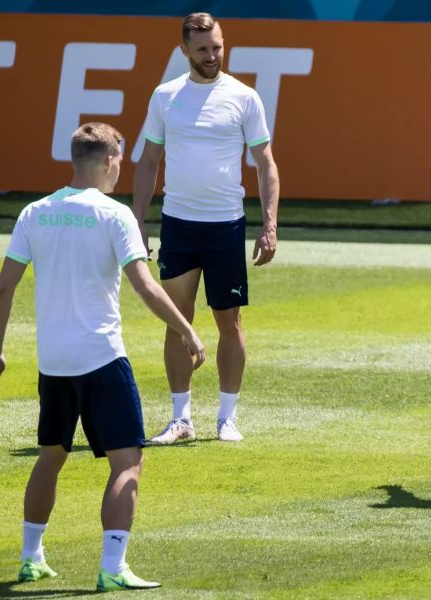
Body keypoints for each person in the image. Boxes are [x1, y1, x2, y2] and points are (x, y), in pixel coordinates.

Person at [0, 122, 206, 591]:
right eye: (119, 159)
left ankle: (30, 557)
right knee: (128, 462)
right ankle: (113, 566)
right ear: (107, 160)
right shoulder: (115, 215)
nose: (120, 166)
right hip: (102, 358)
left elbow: (4, 287)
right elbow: (144, 285)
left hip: (53, 363)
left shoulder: (34, 212)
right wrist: (186, 329)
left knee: (50, 458)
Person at [134, 12, 280, 444]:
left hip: (225, 226)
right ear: (185, 51)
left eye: (217, 47)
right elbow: (147, 163)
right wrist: (138, 221)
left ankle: (227, 417)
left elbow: (266, 165)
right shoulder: (165, 97)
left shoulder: (244, 97)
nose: (212, 55)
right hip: (178, 224)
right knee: (177, 321)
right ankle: (181, 419)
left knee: (229, 322)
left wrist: (269, 223)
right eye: (202, 50)